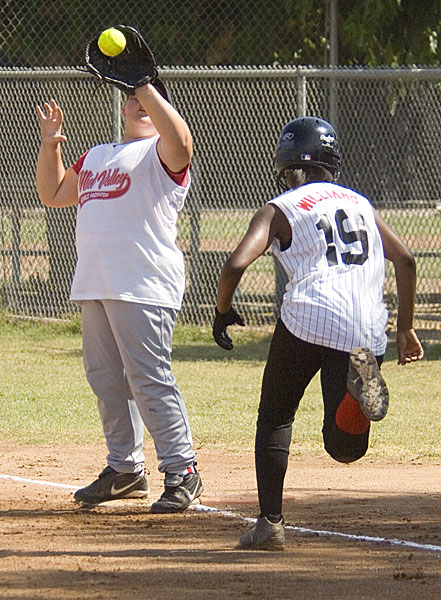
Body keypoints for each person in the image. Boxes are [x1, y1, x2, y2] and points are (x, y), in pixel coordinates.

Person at [212, 116, 424, 550]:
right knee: (344, 449)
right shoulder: (360, 202)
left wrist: (223, 310)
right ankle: (355, 397)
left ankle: (270, 525)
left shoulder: (281, 207)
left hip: (310, 315)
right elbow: (405, 260)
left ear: (286, 167)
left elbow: (234, 264)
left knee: (276, 415)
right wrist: (405, 329)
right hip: (367, 327)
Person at [36, 78, 203, 513]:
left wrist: (144, 84)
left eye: (150, 97)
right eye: (133, 97)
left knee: (147, 378)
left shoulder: (162, 152)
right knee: (106, 380)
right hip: (96, 281)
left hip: (143, 282)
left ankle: (182, 468)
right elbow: (53, 194)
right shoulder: (96, 155)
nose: (141, 102)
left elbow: (183, 143)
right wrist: (50, 144)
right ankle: (125, 469)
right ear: (124, 107)